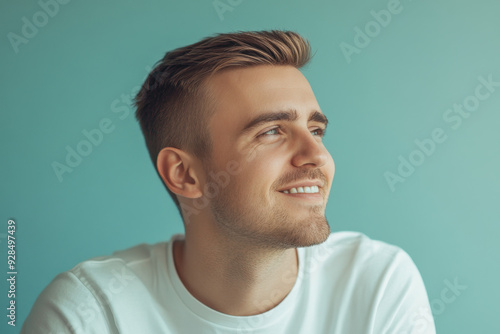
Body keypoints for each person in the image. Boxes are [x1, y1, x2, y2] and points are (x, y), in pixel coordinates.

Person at [22, 30, 436, 333]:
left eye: (316, 130)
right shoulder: (89, 313)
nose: (317, 157)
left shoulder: (377, 281)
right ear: (184, 174)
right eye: (271, 131)